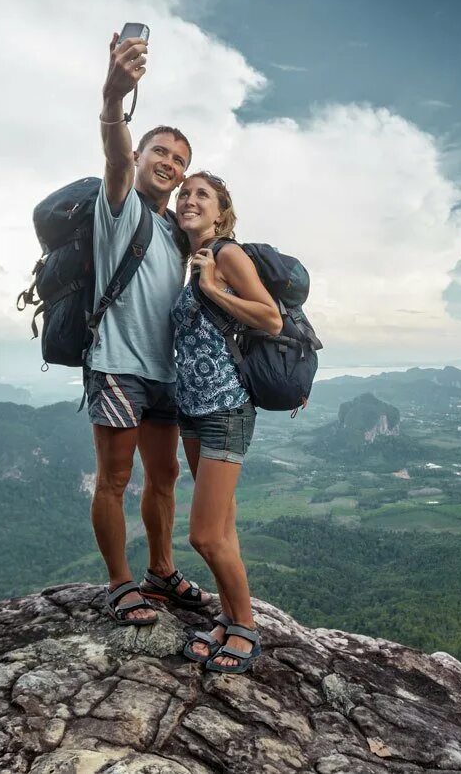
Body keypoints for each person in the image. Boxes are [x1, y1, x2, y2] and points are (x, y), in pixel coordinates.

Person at [91, 32, 208, 626]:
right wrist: (116, 96)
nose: (169, 163)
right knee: (114, 478)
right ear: (141, 158)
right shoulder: (120, 206)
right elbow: (113, 151)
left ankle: (161, 571)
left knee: (163, 479)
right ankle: (119, 583)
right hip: (117, 364)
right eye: (160, 152)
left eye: (179, 161)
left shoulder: (174, 232)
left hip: (166, 374)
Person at [172, 172, 282, 671]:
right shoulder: (186, 261)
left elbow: (270, 317)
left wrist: (213, 288)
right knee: (225, 527)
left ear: (221, 212)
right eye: (184, 194)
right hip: (191, 409)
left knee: (204, 535)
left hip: (225, 409)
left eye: (202, 195)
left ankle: (246, 629)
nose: (189, 199)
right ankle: (228, 617)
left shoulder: (227, 254)